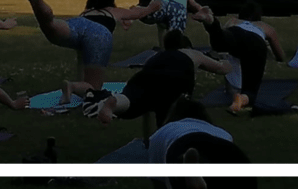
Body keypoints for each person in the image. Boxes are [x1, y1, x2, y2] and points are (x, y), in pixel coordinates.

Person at [19, 0, 162, 104]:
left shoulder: (86, 11)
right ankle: (72, 87)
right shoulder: (113, 11)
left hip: (77, 23)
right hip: (99, 34)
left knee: (49, 24)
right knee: (94, 88)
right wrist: (153, 6)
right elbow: (139, 14)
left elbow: (83, 53)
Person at [82, 29, 233, 137]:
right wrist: (226, 60)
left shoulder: (155, 57)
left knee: (133, 99)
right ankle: (166, 141)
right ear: (186, 46)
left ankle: (115, 103)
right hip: (175, 82)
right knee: (171, 114)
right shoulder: (192, 53)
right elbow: (221, 69)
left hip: (143, 78)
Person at [147, 97, 257, 189]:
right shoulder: (222, 132)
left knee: (181, 174)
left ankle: (196, 179)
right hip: (231, 154)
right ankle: (200, 177)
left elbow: (160, 187)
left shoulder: (162, 133)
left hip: (182, 143)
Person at [192, 1, 284, 113]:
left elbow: (221, 42)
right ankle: (240, 100)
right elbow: (280, 56)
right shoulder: (265, 26)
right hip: (256, 43)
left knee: (219, 42)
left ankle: (212, 23)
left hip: (235, 33)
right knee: (251, 89)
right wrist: (270, 53)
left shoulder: (233, 21)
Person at [138, 0, 203, 47]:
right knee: (176, 35)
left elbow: (152, 6)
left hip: (161, 7)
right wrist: (202, 10)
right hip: (177, 10)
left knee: (160, 25)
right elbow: (195, 5)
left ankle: (162, 48)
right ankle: (176, 49)